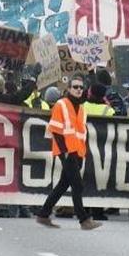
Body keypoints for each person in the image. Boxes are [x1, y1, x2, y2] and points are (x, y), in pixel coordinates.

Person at [35, 73, 101, 231]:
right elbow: (55, 130)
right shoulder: (61, 104)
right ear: (69, 89)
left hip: (78, 152)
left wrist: (92, 73)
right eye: (75, 87)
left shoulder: (82, 108)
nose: (78, 90)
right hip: (67, 152)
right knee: (77, 185)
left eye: (81, 87)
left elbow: (80, 132)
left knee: (63, 185)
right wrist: (64, 152)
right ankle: (84, 219)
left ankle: (43, 214)